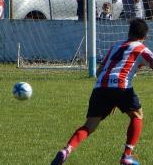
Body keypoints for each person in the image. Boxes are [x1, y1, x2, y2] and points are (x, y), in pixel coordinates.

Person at [51, 18, 153, 165]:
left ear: (129, 32)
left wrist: (111, 99)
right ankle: (127, 156)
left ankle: (66, 150)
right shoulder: (141, 49)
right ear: (145, 36)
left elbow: (99, 72)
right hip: (122, 86)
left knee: (89, 126)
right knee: (137, 115)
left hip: (100, 88)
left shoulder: (115, 46)